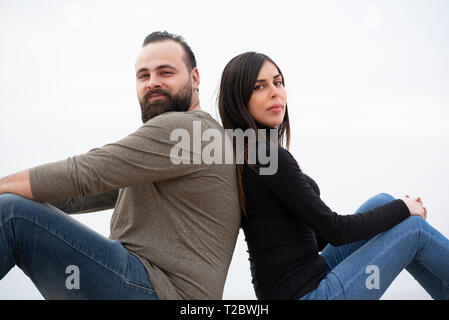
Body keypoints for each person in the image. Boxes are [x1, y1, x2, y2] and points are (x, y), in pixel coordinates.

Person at [0, 31, 241, 300]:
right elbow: (77, 194)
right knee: (15, 205)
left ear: (194, 78)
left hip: (157, 291)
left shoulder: (186, 129)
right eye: (143, 75)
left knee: (11, 214)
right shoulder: (189, 144)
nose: (152, 83)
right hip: (148, 288)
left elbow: (83, 174)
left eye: (165, 72)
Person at [218, 51, 449, 300]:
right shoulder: (266, 157)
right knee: (413, 229)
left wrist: (394, 213)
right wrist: (403, 209)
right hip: (308, 295)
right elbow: (335, 231)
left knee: (382, 202)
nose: (275, 92)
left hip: (312, 276)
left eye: (278, 82)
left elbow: (315, 239)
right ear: (239, 101)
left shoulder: (253, 153)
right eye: (259, 87)